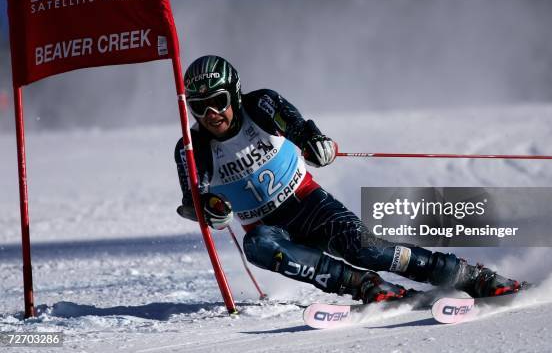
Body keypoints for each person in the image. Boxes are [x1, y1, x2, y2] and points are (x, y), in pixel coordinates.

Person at [174, 55, 524, 304]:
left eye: (217, 101)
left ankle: (470, 277)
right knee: (259, 246)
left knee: (367, 249)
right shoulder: (192, 148)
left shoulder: (259, 105)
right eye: (198, 106)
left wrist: (317, 144)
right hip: (268, 227)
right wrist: (209, 210)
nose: (210, 114)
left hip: (309, 204)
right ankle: (367, 287)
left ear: (233, 93)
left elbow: (299, 128)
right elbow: (194, 202)